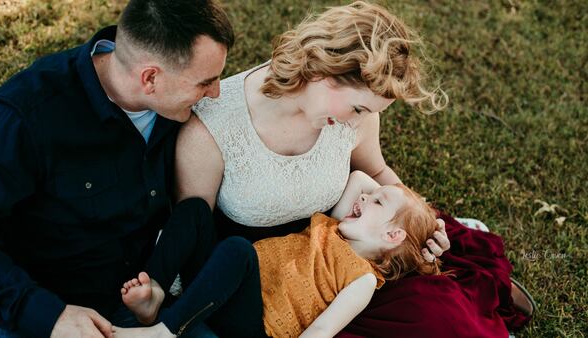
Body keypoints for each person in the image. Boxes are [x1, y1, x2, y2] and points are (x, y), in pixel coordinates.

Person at [175, 1, 532, 335]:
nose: (359, 120)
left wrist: (418, 219)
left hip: (351, 242)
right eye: (360, 108)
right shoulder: (213, 130)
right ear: (324, 72)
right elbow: (191, 231)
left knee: (442, 310)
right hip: (266, 280)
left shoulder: (353, 118)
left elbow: (375, 173)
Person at [0, 0, 233, 337]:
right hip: (52, 311)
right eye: (205, 82)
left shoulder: (173, 103)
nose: (216, 93)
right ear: (150, 78)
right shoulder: (24, 119)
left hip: (149, 303)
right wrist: (47, 315)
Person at [113, 171, 443, 338]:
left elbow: (322, 330)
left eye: (377, 202)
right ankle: (154, 293)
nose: (364, 197)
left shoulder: (364, 279)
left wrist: (410, 219)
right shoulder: (334, 225)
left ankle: (164, 330)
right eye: (370, 195)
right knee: (196, 211)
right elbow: (358, 179)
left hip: (256, 322)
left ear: (392, 235)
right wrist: (389, 200)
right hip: (225, 285)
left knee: (238, 250)